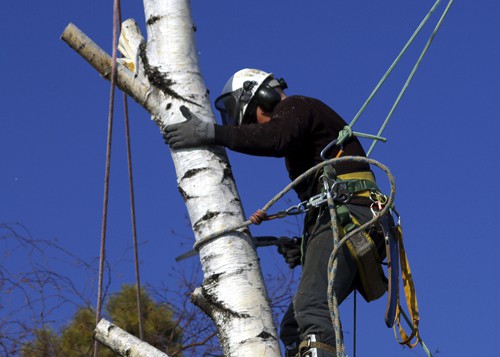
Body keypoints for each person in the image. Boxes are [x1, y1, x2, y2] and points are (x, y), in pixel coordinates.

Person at [163, 69, 389, 357]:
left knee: (311, 305)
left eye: (250, 119)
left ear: (264, 97)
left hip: (352, 215)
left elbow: (275, 137)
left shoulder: (296, 106)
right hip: (346, 220)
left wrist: (210, 132)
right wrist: (303, 246)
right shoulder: (301, 141)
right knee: (294, 324)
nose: (253, 127)